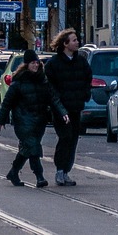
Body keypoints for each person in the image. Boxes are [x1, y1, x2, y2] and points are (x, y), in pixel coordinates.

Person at [0, 49, 66, 188]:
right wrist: (1, 119)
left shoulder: (43, 81)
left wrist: (63, 112)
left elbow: (53, 98)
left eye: (37, 63)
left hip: (39, 121)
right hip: (23, 121)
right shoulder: (19, 82)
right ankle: (39, 176)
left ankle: (14, 171)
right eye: (32, 63)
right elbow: (7, 102)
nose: (35, 65)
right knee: (33, 147)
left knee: (27, 148)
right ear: (26, 64)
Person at [44, 28, 92, 187]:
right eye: (74, 40)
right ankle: (60, 170)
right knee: (64, 137)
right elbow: (49, 86)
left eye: (76, 39)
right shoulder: (54, 64)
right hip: (61, 109)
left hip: (76, 107)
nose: (77, 42)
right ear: (65, 44)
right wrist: (56, 104)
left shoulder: (81, 61)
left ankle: (66, 171)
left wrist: (85, 94)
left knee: (73, 139)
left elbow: (87, 79)